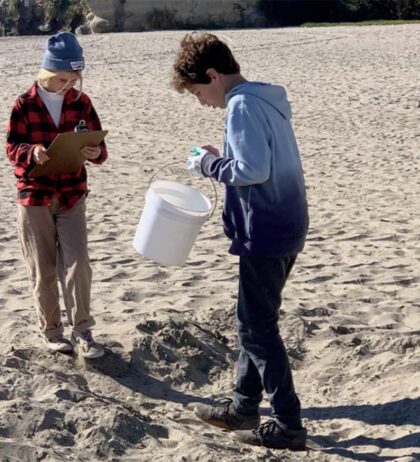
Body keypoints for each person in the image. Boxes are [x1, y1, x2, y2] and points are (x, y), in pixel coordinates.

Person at [171, 32, 310, 450]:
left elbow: (252, 170)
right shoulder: (264, 99)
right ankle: (243, 406)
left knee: (256, 328)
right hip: (286, 222)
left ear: (213, 75)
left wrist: (207, 163)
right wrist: (222, 157)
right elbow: (254, 160)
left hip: (267, 228)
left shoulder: (242, 105)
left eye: (198, 91)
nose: (201, 101)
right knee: (251, 318)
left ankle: (287, 422)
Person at [5, 32, 107, 359]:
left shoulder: (82, 102)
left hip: (72, 193)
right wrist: (31, 152)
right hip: (34, 195)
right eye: (63, 79)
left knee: (79, 265)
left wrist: (94, 151)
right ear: (47, 73)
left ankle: (83, 332)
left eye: (74, 79)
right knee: (43, 269)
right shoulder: (24, 104)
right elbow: (11, 147)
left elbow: (100, 149)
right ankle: (52, 332)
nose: (69, 85)